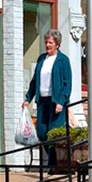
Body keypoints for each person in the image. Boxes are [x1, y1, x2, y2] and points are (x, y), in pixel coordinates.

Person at [22, 29, 72, 170]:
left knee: (53, 133)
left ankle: (53, 165)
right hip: (42, 101)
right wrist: (28, 98)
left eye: (50, 42)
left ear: (57, 44)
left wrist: (61, 101)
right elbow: (34, 81)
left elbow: (67, 83)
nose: (47, 45)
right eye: (46, 42)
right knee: (42, 132)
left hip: (56, 102)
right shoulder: (41, 59)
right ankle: (53, 162)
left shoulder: (63, 60)